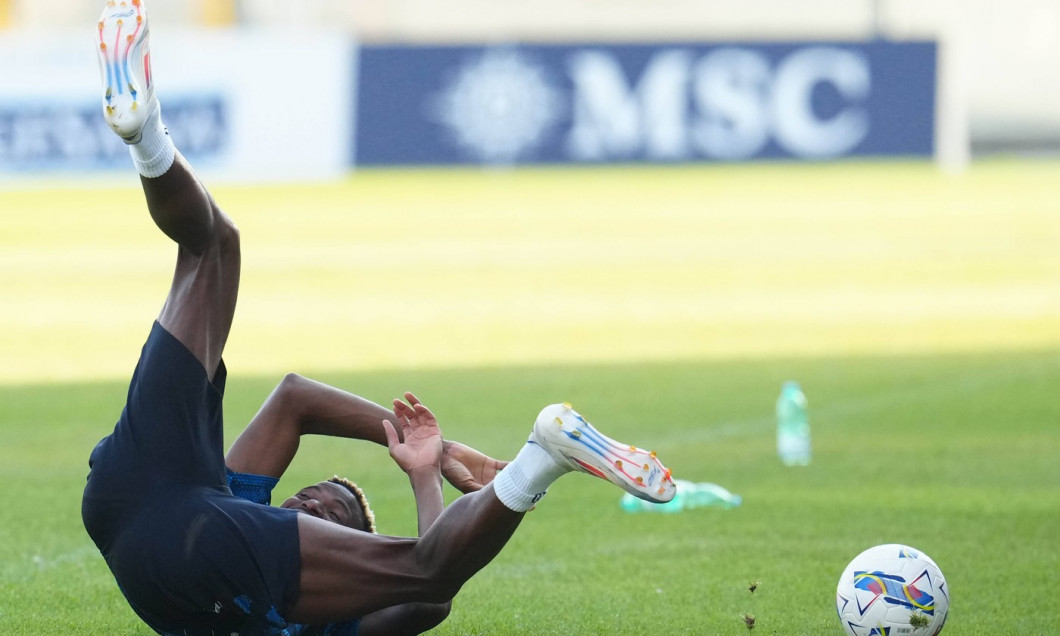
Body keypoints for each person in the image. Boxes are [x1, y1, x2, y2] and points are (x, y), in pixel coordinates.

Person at [81, 2, 677, 635]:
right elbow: (294, 400)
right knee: (214, 245)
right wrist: (440, 452)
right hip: (155, 492)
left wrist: (424, 479)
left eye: (328, 515)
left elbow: (428, 596)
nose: (310, 502)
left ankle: (546, 456)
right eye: (310, 498)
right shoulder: (238, 504)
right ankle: (145, 133)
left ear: (346, 564)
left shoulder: (332, 619)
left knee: (212, 250)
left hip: (127, 506)